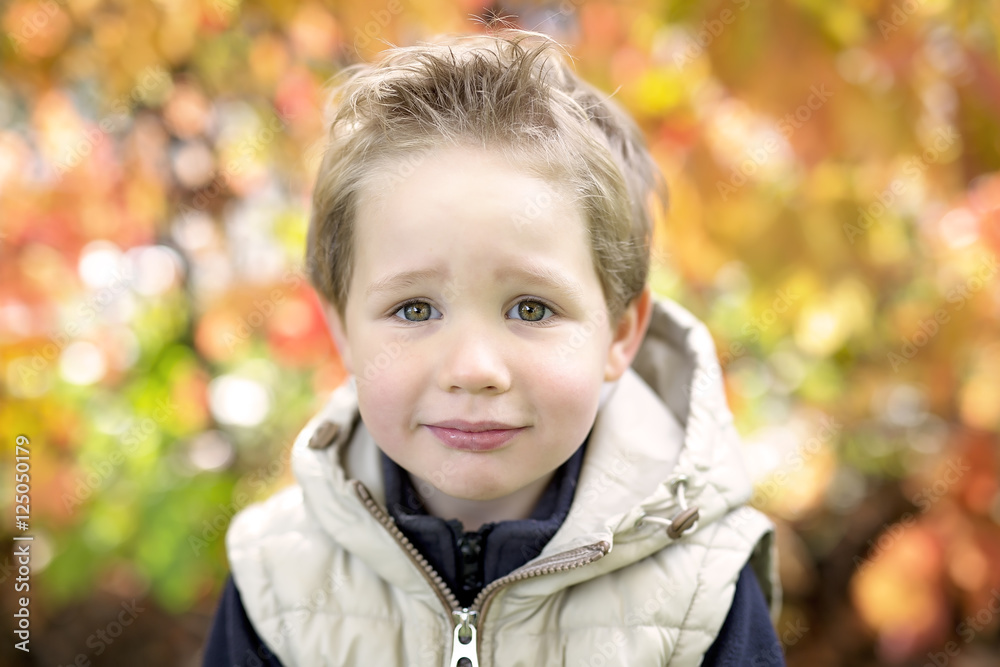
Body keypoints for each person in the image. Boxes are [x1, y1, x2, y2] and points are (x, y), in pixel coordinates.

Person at [203, 27, 784, 667]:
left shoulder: (701, 591)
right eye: (414, 309)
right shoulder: (276, 585)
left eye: (531, 308)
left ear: (620, 333)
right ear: (342, 331)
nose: (474, 369)